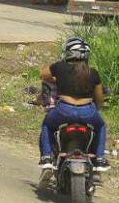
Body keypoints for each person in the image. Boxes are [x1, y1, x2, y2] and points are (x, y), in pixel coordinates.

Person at [38, 37, 108, 171]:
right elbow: (99, 100)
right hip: (88, 112)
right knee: (101, 126)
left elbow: (43, 74)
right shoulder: (93, 73)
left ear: (67, 52)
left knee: (47, 125)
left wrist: (55, 78)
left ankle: (46, 157)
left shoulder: (59, 67)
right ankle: (99, 158)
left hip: (63, 110)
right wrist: (97, 109)